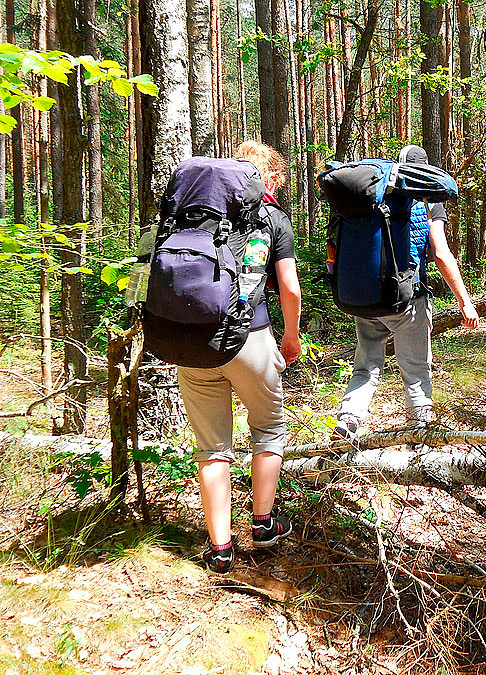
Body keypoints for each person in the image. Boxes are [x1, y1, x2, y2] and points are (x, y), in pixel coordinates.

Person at [176, 140, 303, 573]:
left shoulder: (189, 215)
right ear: (267, 178)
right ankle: (264, 524)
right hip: (250, 337)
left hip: (192, 344)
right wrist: (291, 338)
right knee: (268, 427)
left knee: (212, 448)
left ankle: (220, 550)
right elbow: (289, 288)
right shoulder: (271, 218)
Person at [332, 144, 480, 440]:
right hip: (406, 297)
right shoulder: (425, 197)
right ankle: (422, 432)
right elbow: (440, 252)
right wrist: (465, 301)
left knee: (366, 366)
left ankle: (348, 420)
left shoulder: (374, 193)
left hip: (367, 294)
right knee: (415, 368)